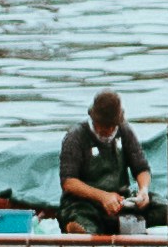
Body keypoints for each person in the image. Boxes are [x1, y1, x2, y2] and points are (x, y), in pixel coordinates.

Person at [58, 93, 160, 234]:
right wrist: (102, 196)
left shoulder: (125, 131)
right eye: (104, 126)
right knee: (81, 220)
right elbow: (68, 182)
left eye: (112, 126)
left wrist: (143, 190)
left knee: (161, 207)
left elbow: (141, 167)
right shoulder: (75, 137)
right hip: (84, 204)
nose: (108, 131)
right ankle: (81, 232)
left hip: (121, 201)